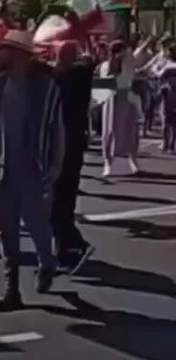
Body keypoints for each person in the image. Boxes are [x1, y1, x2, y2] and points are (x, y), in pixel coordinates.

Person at [0, 30, 65, 312]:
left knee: (38, 227)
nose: (2, 54)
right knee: (6, 233)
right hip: (0, 169)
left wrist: (55, 165)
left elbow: (57, 130)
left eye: (8, 50)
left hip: (33, 168)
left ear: (24, 56)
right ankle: (11, 290)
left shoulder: (46, 89)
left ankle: (47, 263)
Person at [51, 41, 95, 273]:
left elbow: (87, 61)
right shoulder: (61, 75)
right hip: (59, 144)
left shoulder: (77, 76)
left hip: (69, 145)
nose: (56, 57)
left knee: (61, 200)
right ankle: (64, 251)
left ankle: (74, 246)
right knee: (56, 201)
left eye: (61, 54)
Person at [99, 39, 145, 178]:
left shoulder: (129, 62)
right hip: (112, 99)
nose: (127, 52)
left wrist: (146, 43)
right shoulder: (106, 65)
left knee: (130, 130)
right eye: (124, 50)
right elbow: (103, 84)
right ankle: (108, 164)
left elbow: (139, 55)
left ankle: (133, 161)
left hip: (127, 98)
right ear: (117, 52)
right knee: (110, 131)